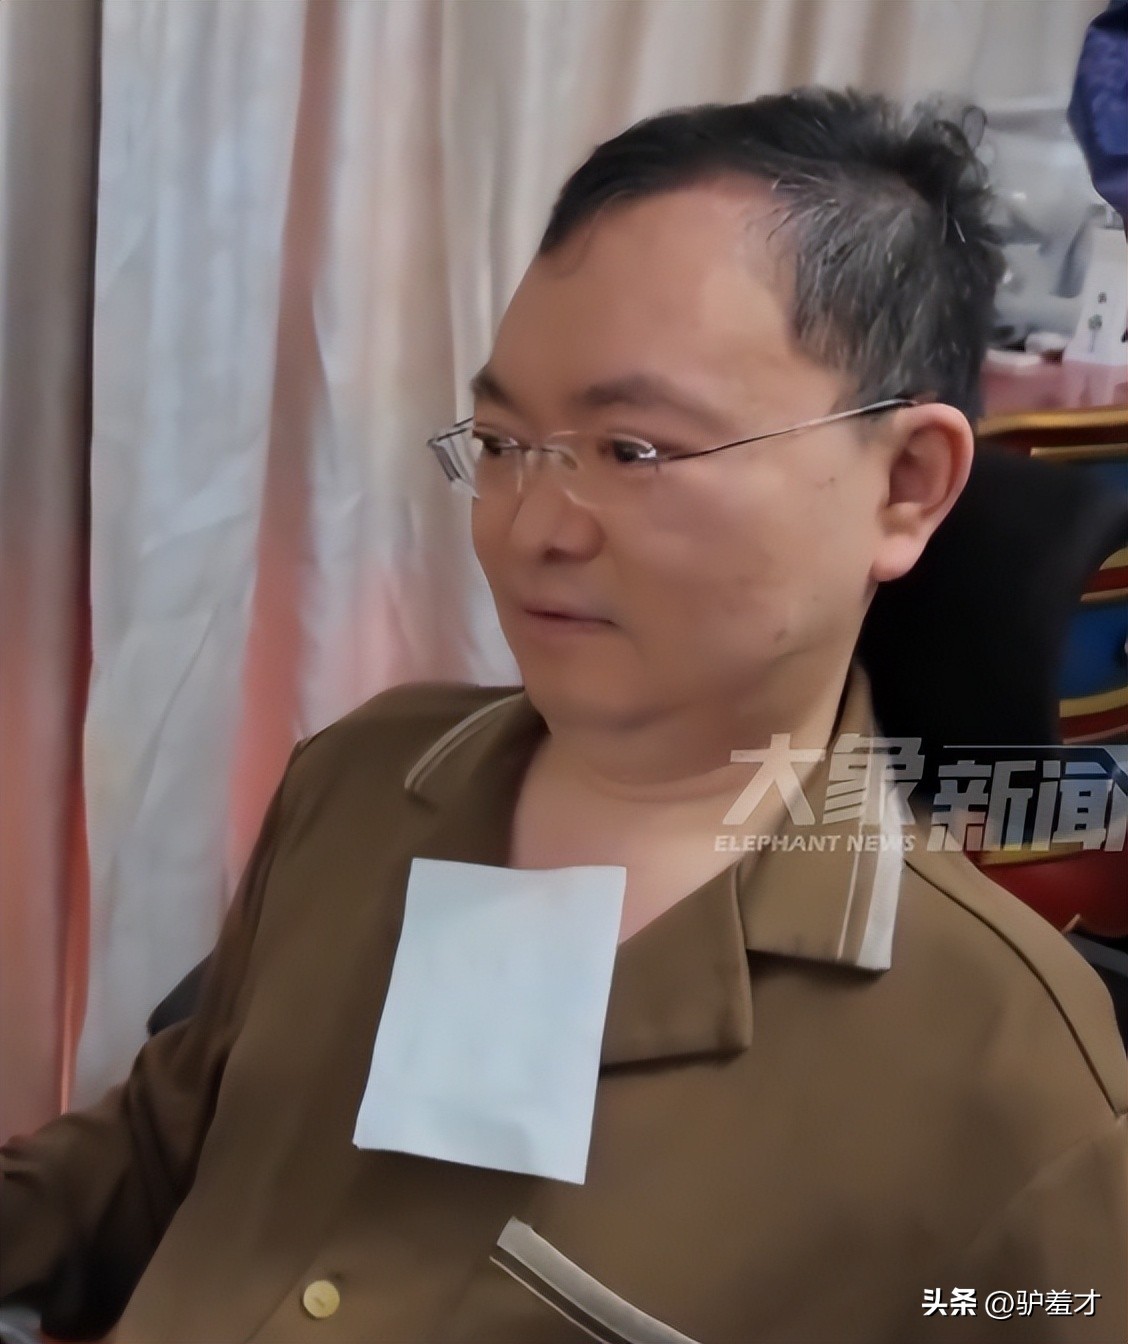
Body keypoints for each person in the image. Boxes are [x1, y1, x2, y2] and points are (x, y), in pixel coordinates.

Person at [1, 88, 1125, 1344]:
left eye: (634, 451)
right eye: (501, 442)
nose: (532, 528)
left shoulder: (1009, 1078)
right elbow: (161, 1156)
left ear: (905, 485)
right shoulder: (363, 778)